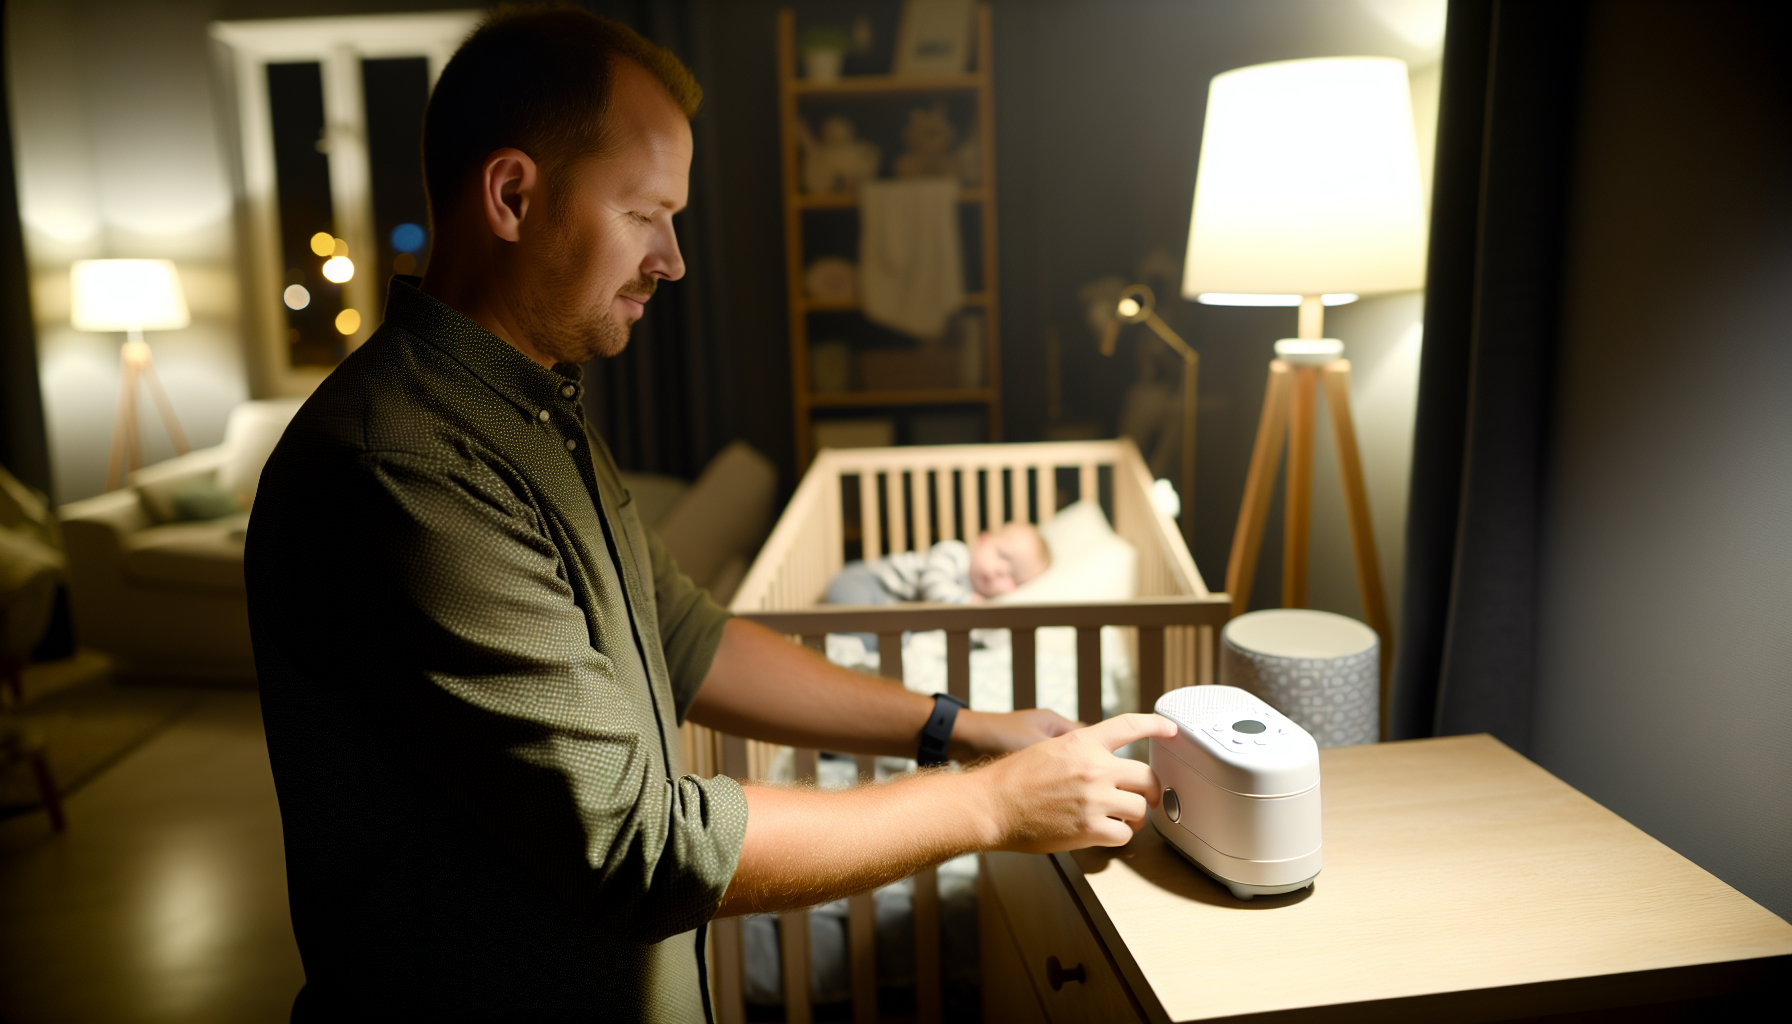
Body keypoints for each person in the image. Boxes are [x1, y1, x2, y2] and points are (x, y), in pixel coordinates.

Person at [247, 8, 1174, 1022]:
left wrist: (961, 728)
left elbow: (689, 638)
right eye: (646, 214)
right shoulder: (401, 465)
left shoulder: (533, 408)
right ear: (514, 195)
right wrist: (991, 806)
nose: (672, 258)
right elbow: (639, 845)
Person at [827, 520, 1051, 607]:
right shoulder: (955, 553)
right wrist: (969, 603)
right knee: (865, 631)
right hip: (866, 582)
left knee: (881, 636)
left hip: (886, 603)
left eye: (1013, 578)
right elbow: (932, 585)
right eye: (1002, 555)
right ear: (983, 542)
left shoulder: (972, 592)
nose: (999, 572)